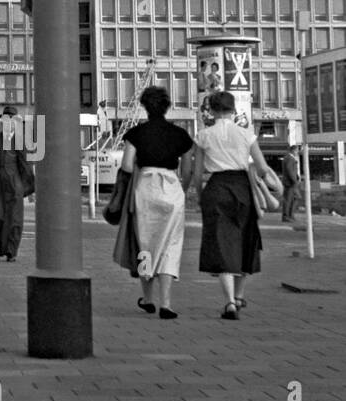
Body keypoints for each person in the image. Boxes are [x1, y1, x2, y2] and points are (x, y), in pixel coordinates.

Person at [192, 90, 279, 319]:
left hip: (216, 187)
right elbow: (261, 168)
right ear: (234, 110)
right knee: (245, 240)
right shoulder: (246, 134)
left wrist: (201, 196)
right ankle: (239, 296)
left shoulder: (203, 135)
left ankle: (229, 302)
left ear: (211, 110)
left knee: (221, 244)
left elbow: (198, 173)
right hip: (242, 188)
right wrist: (274, 186)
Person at [117, 86, 194, 320]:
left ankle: (148, 298)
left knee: (145, 244)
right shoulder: (180, 135)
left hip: (145, 187)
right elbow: (188, 169)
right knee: (171, 245)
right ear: (167, 106)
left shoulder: (136, 133)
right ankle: (166, 303)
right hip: (171, 187)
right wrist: (182, 188)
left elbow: (127, 166)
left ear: (144, 107)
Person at [0, 106, 34, 261]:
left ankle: (11, 252)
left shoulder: (21, 142)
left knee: (15, 220)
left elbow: (26, 167)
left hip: (14, 187)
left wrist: (31, 189)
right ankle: (2, 242)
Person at [280, 151, 301, 223]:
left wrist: (296, 178)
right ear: (294, 150)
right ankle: (286, 216)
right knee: (288, 200)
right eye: (297, 151)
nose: (297, 152)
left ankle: (290, 215)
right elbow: (289, 170)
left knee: (294, 198)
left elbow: (292, 171)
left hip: (291, 183)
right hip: (290, 183)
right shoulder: (289, 158)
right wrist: (294, 180)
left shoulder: (290, 158)